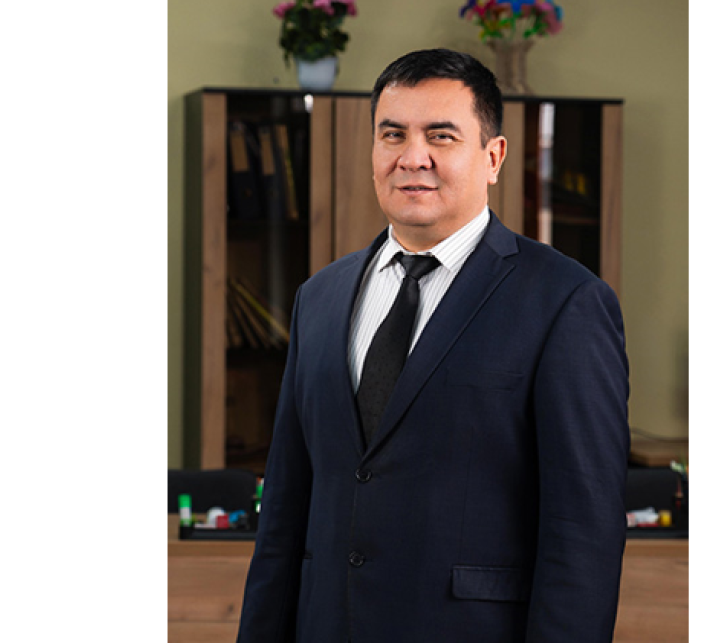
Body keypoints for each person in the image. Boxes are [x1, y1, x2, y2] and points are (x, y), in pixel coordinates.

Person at [236, 48, 630, 643]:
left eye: (441, 136)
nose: (411, 157)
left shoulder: (565, 302)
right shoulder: (319, 298)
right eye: (392, 134)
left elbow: (583, 534)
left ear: (493, 157)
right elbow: (285, 516)